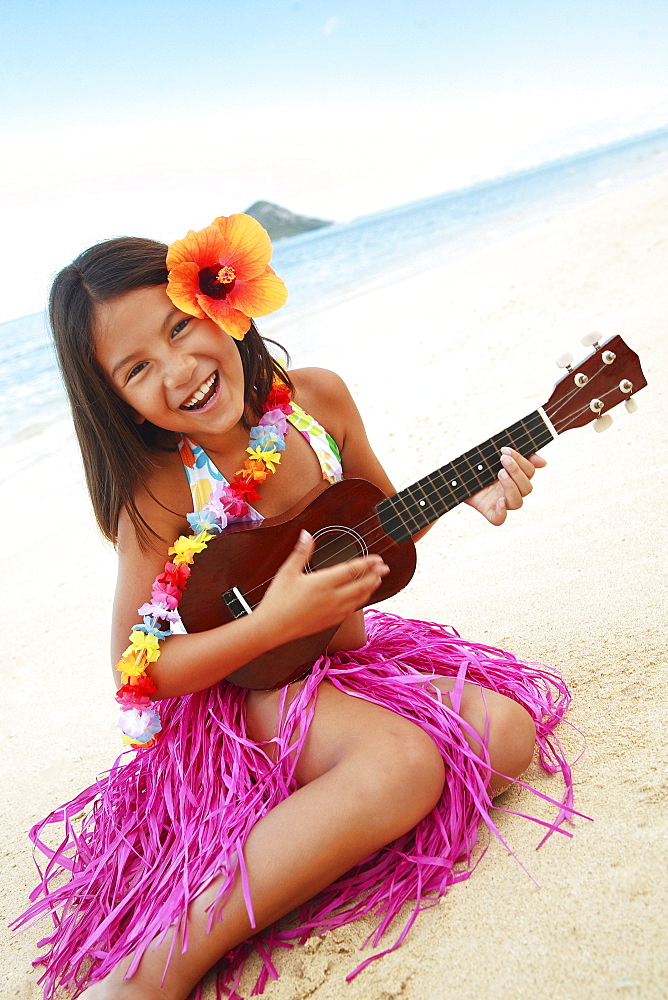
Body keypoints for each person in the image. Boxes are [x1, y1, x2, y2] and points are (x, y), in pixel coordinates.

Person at [15, 215, 573, 1000]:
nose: (179, 370)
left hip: (350, 662)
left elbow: (381, 518)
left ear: (222, 305)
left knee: (507, 736)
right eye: (138, 368)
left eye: (181, 327)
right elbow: (138, 671)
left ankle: (310, 838)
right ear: (122, 406)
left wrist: (469, 491)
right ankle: (155, 967)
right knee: (404, 763)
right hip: (249, 700)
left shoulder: (318, 400)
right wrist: (271, 624)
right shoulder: (164, 488)